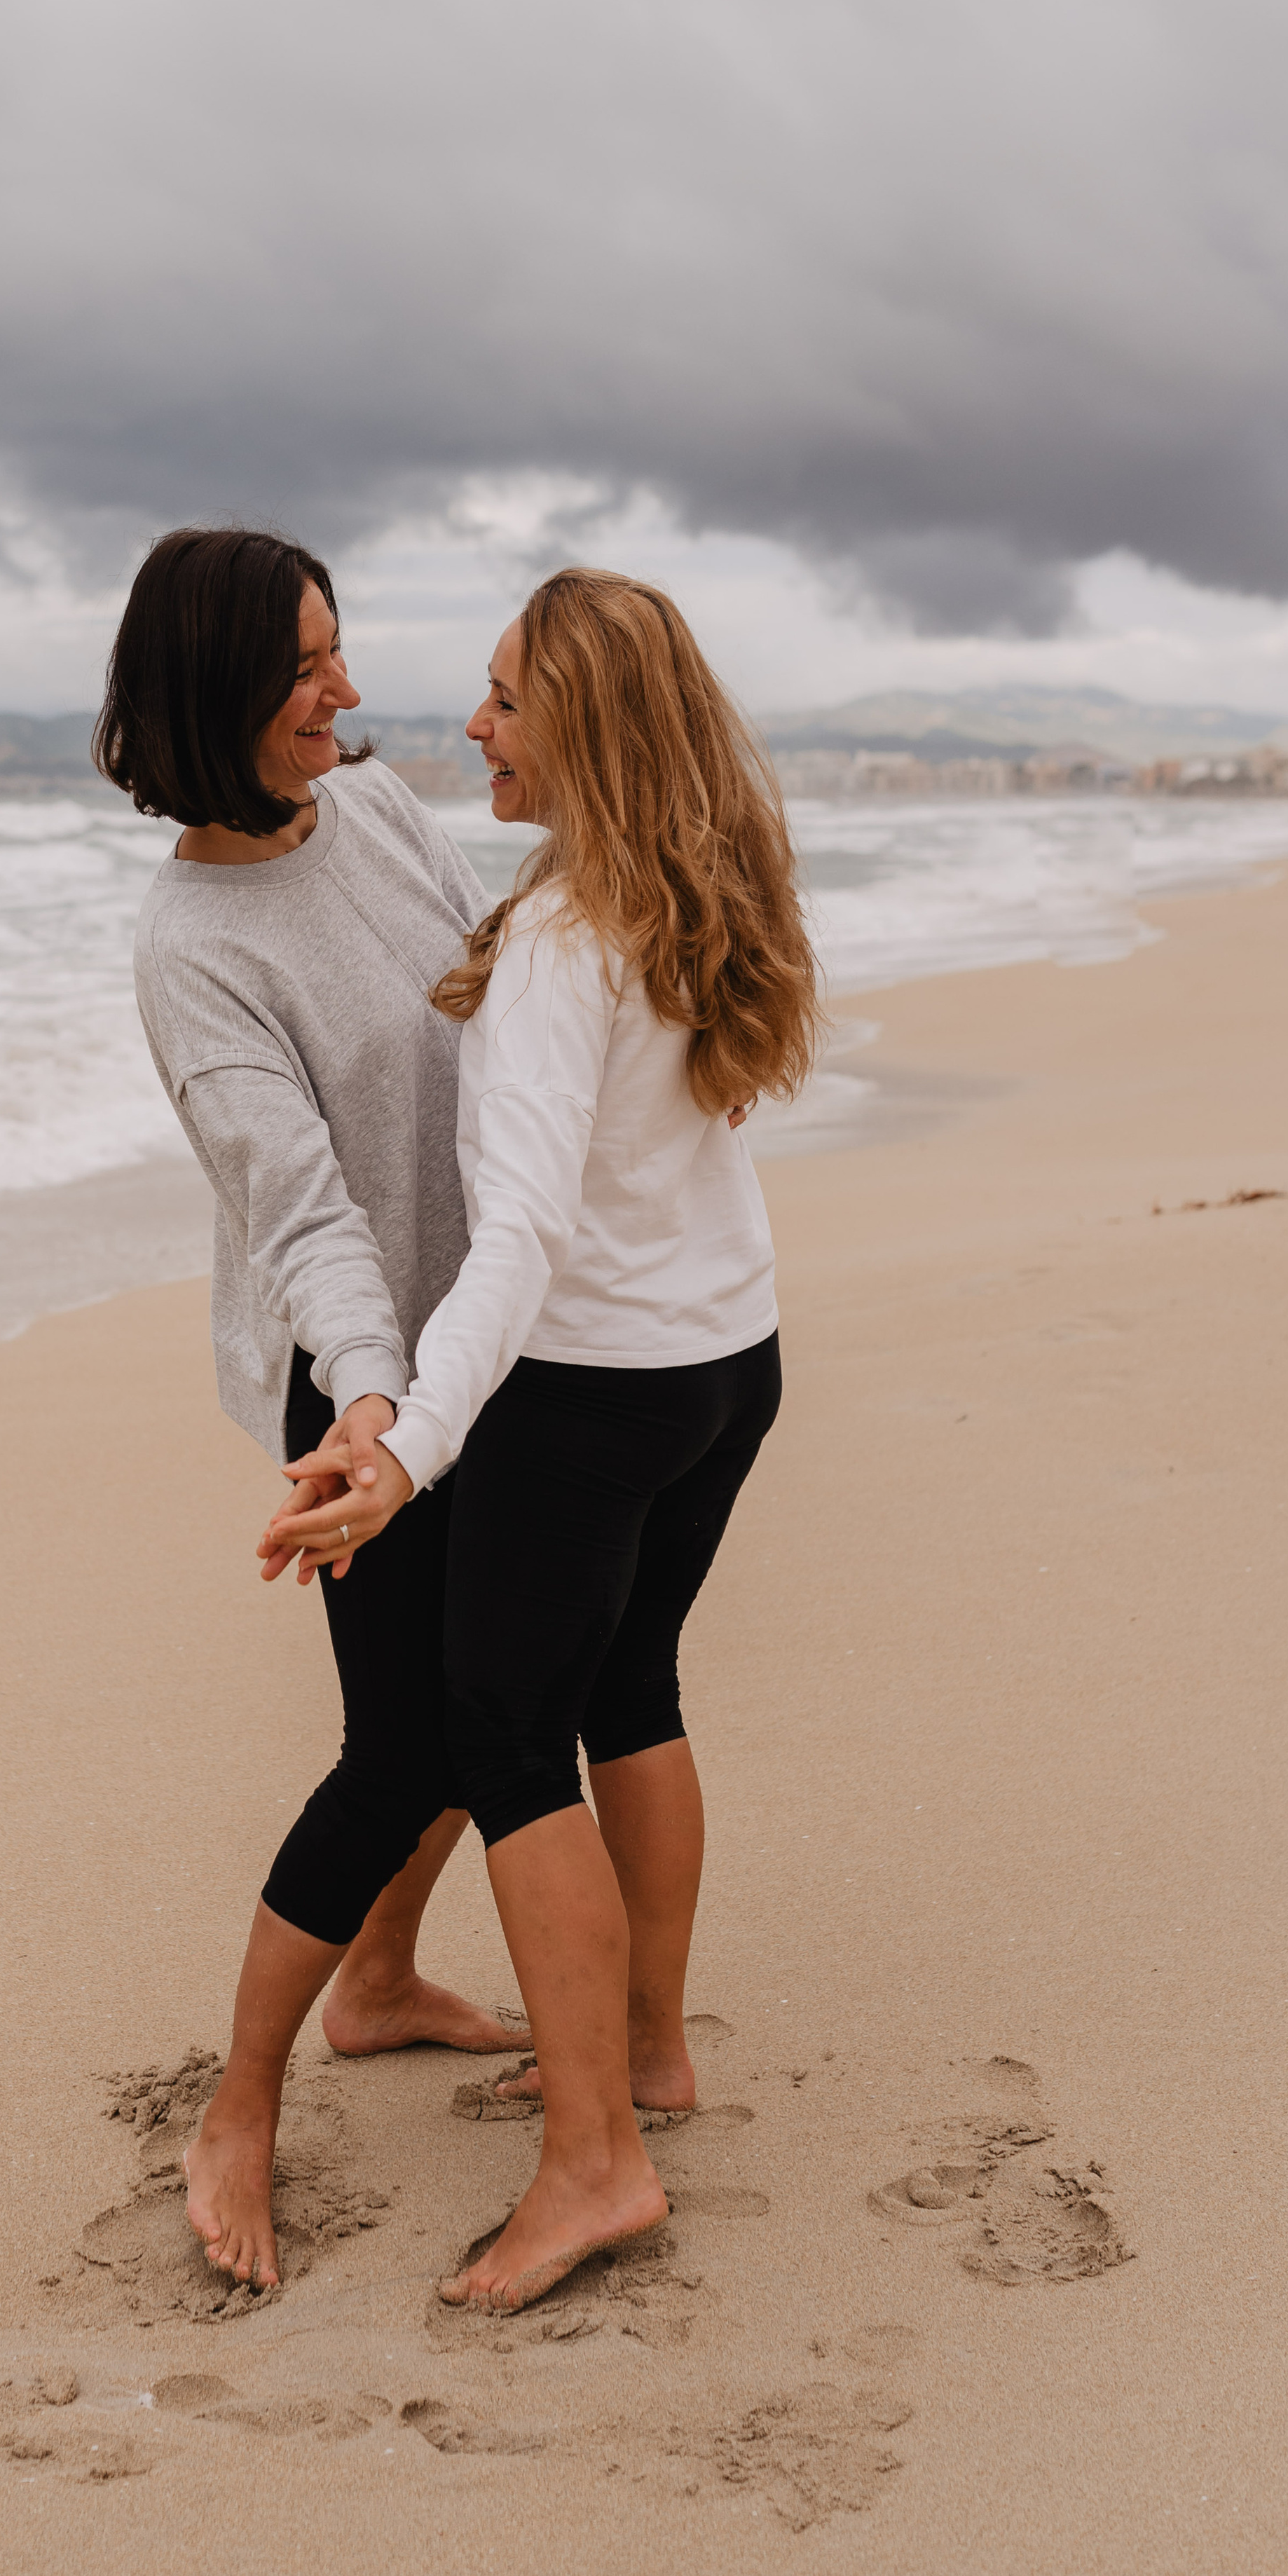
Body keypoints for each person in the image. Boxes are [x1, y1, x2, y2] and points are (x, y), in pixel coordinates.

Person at [266, 568, 823, 2311]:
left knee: (508, 1751)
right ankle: (646, 2052)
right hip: (727, 1362)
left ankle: (593, 2166)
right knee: (628, 1690)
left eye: (503, 698)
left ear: (576, 724)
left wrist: (411, 1446)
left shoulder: (567, 946)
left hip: (589, 1399)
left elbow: (513, 1241)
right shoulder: (697, 873)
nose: (471, 724)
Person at [101, 526, 523, 2295]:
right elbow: (304, 1219)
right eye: (301, 667)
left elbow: (495, 944)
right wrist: (370, 1406)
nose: (342, 693)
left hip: (487, 1336)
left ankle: (379, 1981)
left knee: (487, 1699)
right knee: (404, 1750)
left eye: (338, 652)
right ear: (212, 691)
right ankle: (239, 2103)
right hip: (355, 1380)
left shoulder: (371, 803)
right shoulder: (193, 952)